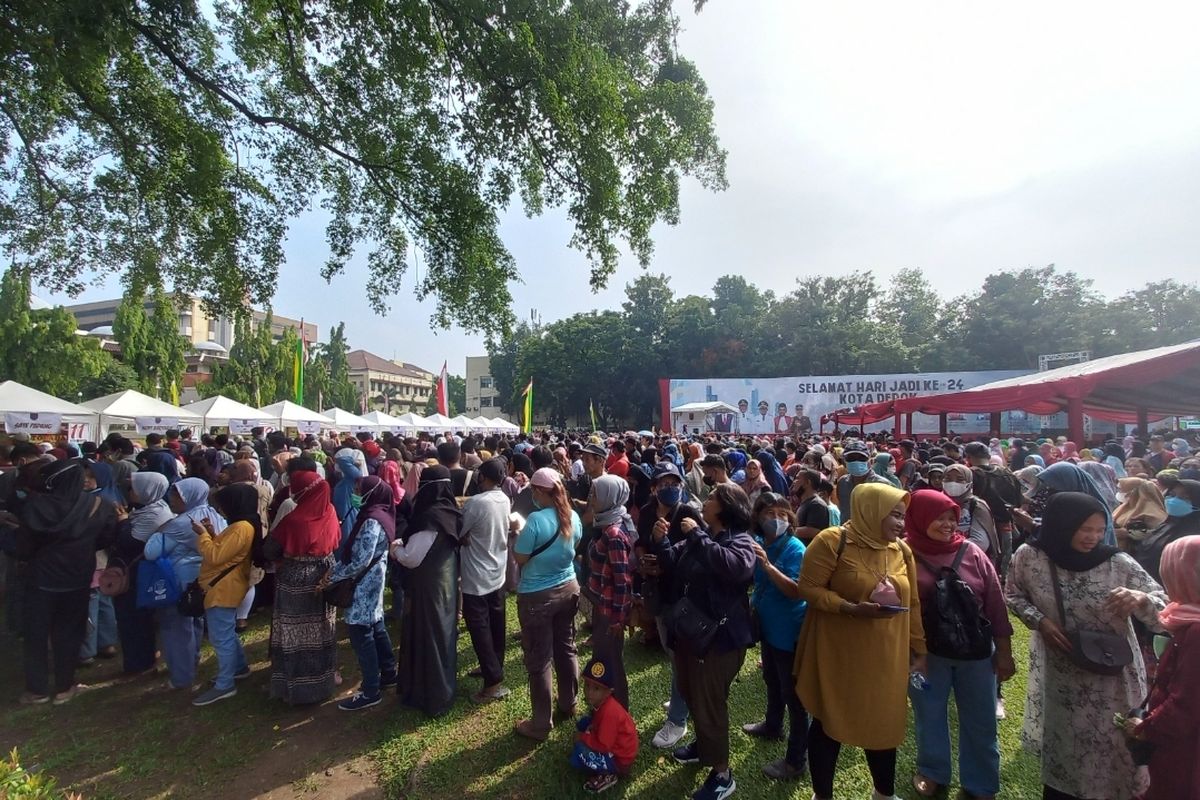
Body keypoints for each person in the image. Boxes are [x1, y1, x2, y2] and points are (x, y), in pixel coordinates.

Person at [1005, 492, 1167, 800]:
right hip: (1063, 674)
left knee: (1113, 746)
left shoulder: (1117, 563)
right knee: (1066, 748)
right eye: (1084, 528)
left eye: (1098, 528)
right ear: (1062, 525)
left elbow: (1164, 610)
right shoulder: (1030, 556)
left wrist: (1141, 599)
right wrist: (1040, 620)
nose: (1093, 537)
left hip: (1113, 678)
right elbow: (1013, 594)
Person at [793, 482, 926, 800]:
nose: (899, 523)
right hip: (839, 651)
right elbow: (808, 589)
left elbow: (915, 603)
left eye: (902, 516)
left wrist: (919, 648)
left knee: (882, 722)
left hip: (886, 655)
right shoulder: (832, 541)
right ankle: (822, 795)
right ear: (871, 510)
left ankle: (883, 793)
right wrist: (850, 607)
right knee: (829, 720)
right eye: (893, 515)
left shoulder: (901, 550)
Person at [905, 490, 1013, 800]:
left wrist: (1003, 652)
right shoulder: (904, 554)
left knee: (981, 718)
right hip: (927, 654)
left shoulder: (972, 552)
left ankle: (980, 782)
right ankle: (933, 771)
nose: (947, 524)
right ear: (920, 518)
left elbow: (994, 602)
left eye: (952, 518)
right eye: (939, 518)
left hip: (976, 652)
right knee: (929, 713)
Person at [652, 482, 756, 800]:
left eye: (711, 498)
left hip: (719, 641)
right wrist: (661, 542)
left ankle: (723, 775)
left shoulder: (740, 541)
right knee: (692, 693)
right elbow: (675, 562)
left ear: (726, 507)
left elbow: (735, 568)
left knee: (709, 704)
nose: (705, 501)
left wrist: (696, 534)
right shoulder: (706, 536)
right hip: (693, 636)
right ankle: (702, 746)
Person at [17, 460, 117, 705]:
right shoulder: (98, 505)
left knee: (36, 634)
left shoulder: (35, 506)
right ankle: (64, 686)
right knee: (70, 632)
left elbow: (22, 547)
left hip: (41, 577)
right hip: (78, 575)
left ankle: (37, 690)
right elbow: (107, 537)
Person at [1124, 536, 1200, 800]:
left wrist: (1144, 728)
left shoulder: (1196, 631)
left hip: (1184, 752)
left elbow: (1187, 704)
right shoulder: (1190, 620)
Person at [512, 467, 583, 741]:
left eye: (533, 490)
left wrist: (519, 533)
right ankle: (569, 702)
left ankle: (541, 723)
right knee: (566, 648)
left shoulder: (535, 521)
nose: (531, 494)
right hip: (568, 588)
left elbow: (520, 558)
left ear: (541, 492)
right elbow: (574, 546)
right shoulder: (573, 516)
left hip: (537, 596)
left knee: (540, 658)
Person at [637, 462, 702, 750]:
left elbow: (697, 553)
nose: (670, 488)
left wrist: (665, 560)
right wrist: (643, 561)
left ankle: (677, 718)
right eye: (664, 484)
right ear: (653, 488)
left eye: (674, 483)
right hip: (658, 593)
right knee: (669, 649)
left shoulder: (688, 514)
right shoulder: (648, 511)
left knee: (679, 654)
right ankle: (682, 693)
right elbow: (640, 542)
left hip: (683, 595)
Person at [744, 493, 808, 782]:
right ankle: (772, 725)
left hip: (789, 632)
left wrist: (769, 567)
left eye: (782, 514)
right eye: (769, 513)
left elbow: (796, 590)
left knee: (795, 698)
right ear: (758, 517)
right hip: (769, 629)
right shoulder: (761, 543)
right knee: (771, 679)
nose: (777, 519)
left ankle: (796, 761)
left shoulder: (795, 548)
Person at [391, 465, 462, 717]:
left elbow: (411, 557)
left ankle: (431, 695)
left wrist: (396, 548)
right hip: (446, 586)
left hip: (427, 588)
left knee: (429, 638)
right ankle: (440, 690)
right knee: (441, 636)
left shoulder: (430, 517)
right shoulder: (450, 512)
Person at [266, 467, 340, 704]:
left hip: (296, 577)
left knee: (295, 630)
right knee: (322, 628)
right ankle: (324, 679)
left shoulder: (295, 520)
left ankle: (295, 684)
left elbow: (270, 549)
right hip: (325, 573)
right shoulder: (329, 512)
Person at [145, 477, 225, 691]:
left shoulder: (181, 523)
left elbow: (151, 552)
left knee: (176, 628)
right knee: (195, 621)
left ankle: (181, 677)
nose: (172, 500)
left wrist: (158, 532)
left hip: (178, 582)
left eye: (177, 496)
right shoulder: (214, 515)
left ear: (189, 497)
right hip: (204, 580)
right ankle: (191, 662)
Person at [325, 475, 396, 711]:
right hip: (373, 580)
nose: (355, 494)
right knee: (376, 627)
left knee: (361, 634)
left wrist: (333, 576)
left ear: (372, 492)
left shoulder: (371, 521)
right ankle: (388, 672)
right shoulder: (380, 513)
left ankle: (371, 690)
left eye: (359, 489)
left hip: (363, 585)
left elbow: (361, 559)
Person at [190, 483, 255, 706]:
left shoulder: (241, 527)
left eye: (223, 506)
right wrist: (211, 533)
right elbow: (228, 551)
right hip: (224, 586)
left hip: (223, 589)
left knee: (221, 638)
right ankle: (239, 668)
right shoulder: (239, 526)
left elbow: (216, 556)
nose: (220, 510)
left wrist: (202, 536)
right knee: (226, 632)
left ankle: (225, 685)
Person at [459, 458, 512, 704]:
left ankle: (493, 682)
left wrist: (466, 536)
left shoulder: (477, 503)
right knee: (496, 623)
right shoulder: (504, 498)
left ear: (484, 477)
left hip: (476, 576)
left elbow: (460, 532)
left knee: (479, 627)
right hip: (496, 570)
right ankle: (492, 664)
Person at [110, 472, 172, 674]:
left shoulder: (153, 515)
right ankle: (145, 657)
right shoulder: (153, 508)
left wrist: (122, 521)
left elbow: (129, 543)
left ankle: (139, 665)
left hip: (138, 574)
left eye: (134, 488)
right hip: (141, 573)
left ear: (147, 490)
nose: (129, 491)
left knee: (133, 620)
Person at [585, 475, 634, 709]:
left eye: (595, 493)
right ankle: (602, 708)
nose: (591, 498)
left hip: (609, 611)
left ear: (608, 497)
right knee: (603, 659)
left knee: (610, 662)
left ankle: (617, 712)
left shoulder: (614, 534)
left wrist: (617, 618)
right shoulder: (607, 523)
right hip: (601, 605)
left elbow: (622, 580)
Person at [569, 657, 640, 794]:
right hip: (615, 746)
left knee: (578, 754)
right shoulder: (602, 703)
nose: (589, 692)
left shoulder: (610, 713)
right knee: (584, 722)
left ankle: (609, 774)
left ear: (609, 691)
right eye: (587, 685)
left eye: (596, 688)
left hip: (619, 759)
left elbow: (603, 745)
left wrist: (583, 738)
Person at [1126, 478, 1200, 583]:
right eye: (1172, 494)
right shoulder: (1166, 524)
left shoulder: (1195, 535)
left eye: (1185, 497)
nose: (1175, 500)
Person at [942, 464, 1002, 569]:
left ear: (969, 483)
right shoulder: (937, 502)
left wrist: (944, 550)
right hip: (940, 564)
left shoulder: (976, 505)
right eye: (948, 478)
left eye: (960, 479)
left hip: (970, 564)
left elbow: (980, 542)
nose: (953, 483)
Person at [834, 443, 888, 523]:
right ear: (844, 461)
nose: (856, 461)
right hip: (847, 533)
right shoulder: (842, 483)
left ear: (870, 460)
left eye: (861, 458)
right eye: (851, 458)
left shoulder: (883, 485)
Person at [1113, 476, 1167, 551]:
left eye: (1123, 490)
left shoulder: (1153, 513)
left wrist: (1130, 534)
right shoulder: (1124, 507)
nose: (1120, 493)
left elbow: (1160, 534)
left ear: (1134, 492)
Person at [790, 468, 831, 543]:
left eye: (797, 478)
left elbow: (814, 531)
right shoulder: (805, 502)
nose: (794, 482)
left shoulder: (817, 505)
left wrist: (787, 530)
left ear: (808, 483)